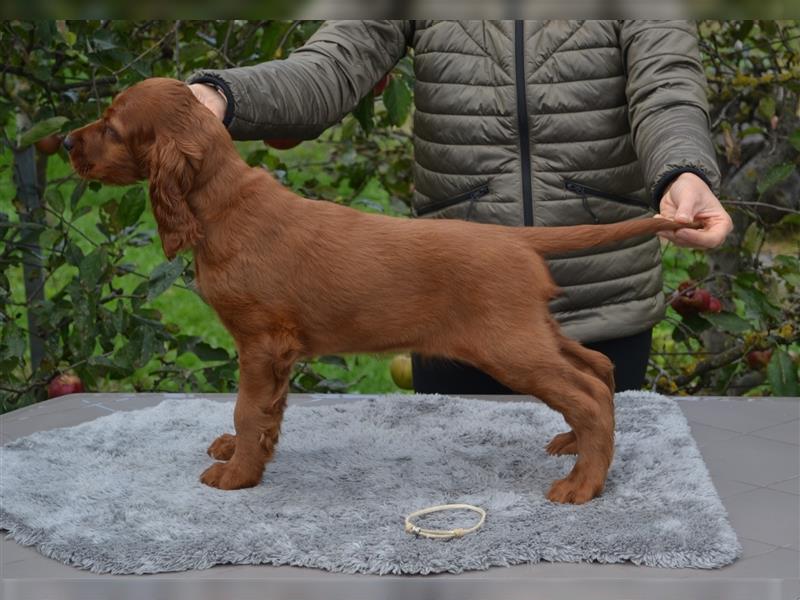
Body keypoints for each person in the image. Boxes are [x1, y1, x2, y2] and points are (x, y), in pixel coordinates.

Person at [187, 20, 733, 394]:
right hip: (449, 304)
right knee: (454, 524)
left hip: (598, 297)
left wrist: (683, 169)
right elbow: (330, 67)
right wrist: (222, 96)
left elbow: (666, 85)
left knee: (599, 518)